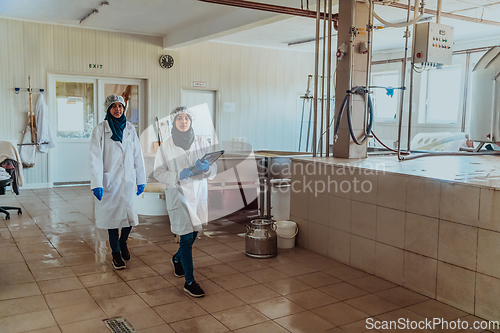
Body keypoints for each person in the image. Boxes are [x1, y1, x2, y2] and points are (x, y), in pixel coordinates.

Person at [154, 106, 217, 297]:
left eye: (186, 118)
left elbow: (213, 171)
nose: (183, 121)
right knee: (187, 237)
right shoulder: (166, 145)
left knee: (195, 233)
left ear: (191, 121)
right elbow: (157, 172)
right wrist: (178, 174)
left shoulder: (201, 142)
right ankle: (189, 281)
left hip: (197, 195)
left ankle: (177, 258)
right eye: (179, 118)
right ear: (174, 122)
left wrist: (207, 168)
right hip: (178, 193)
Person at [89, 95, 146, 270]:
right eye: (113, 106)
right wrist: (97, 182)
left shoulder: (130, 128)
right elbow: (95, 158)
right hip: (109, 181)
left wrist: (140, 179)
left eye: (120, 106)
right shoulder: (100, 129)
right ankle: (115, 253)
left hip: (128, 179)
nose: (117, 109)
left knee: (130, 217)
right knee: (112, 220)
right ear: (108, 109)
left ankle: (123, 242)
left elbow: (137, 154)